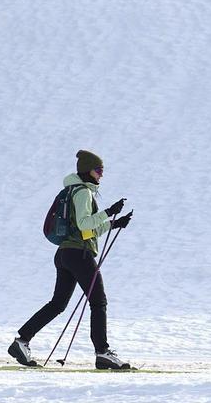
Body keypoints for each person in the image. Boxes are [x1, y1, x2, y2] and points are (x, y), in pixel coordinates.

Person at [11, 149, 134, 371]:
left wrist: (115, 223)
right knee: (98, 302)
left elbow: (86, 230)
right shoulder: (83, 193)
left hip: (65, 254)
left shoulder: (73, 191)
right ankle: (103, 353)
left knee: (58, 304)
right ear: (88, 171)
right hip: (79, 255)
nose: (101, 175)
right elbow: (86, 224)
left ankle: (21, 341)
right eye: (99, 170)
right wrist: (108, 212)